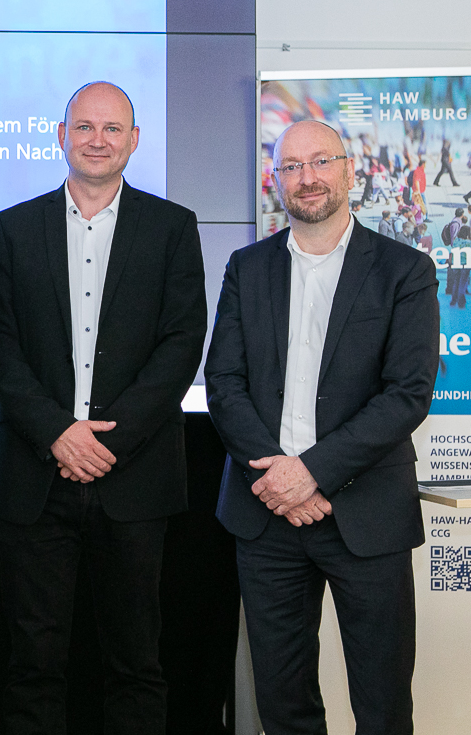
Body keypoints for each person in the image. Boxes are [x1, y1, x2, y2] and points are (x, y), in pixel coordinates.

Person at [0, 81, 207, 735]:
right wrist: (57, 432)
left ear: (134, 140)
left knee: (136, 663)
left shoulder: (172, 227)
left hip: (134, 478)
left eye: (112, 129)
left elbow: (182, 343)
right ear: (62, 136)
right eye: (84, 127)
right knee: (32, 665)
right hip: (33, 475)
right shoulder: (14, 227)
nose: (98, 140)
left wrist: (107, 442)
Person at [205, 120, 439, 735]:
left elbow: (407, 393)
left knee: (383, 705)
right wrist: (279, 479)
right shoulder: (247, 267)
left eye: (320, 162)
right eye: (292, 166)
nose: (307, 177)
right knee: (283, 706)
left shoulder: (405, 270)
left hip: (367, 513)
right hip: (266, 514)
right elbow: (223, 382)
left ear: (349, 170)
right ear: (276, 180)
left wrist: (310, 473)